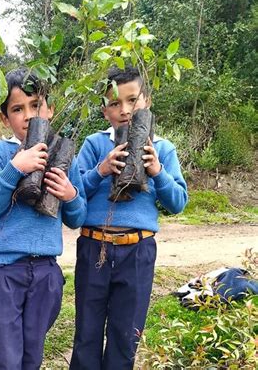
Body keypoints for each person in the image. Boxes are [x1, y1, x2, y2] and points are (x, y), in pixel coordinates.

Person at [70, 66, 188, 369]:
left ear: (146, 100)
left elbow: (177, 202)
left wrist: (157, 172)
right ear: (104, 109)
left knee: (126, 336)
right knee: (87, 333)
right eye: (114, 103)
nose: (124, 110)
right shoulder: (95, 144)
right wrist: (102, 170)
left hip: (138, 250)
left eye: (132, 100)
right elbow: (72, 192)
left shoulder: (162, 148)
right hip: (94, 247)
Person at [0, 68, 87, 369]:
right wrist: (16, 168)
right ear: (4, 118)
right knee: (6, 355)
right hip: (6, 272)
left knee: (31, 353)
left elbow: (77, 217)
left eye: (35, 105)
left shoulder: (64, 155)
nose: (28, 115)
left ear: (49, 109)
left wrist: (69, 194)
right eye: (17, 109)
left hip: (46, 272)